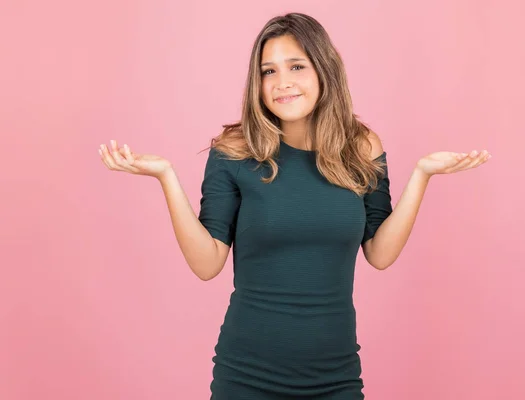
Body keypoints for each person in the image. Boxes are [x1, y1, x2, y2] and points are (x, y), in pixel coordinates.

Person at [98, 12, 490, 400]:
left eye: (296, 66)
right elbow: (207, 263)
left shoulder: (362, 147)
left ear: (324, 70)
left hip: (336, 376)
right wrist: (166, 177)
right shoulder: (234, 152)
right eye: (268, 72)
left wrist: (421, 175)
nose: (281, 83)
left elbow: (380, 253)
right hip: (247, 376)